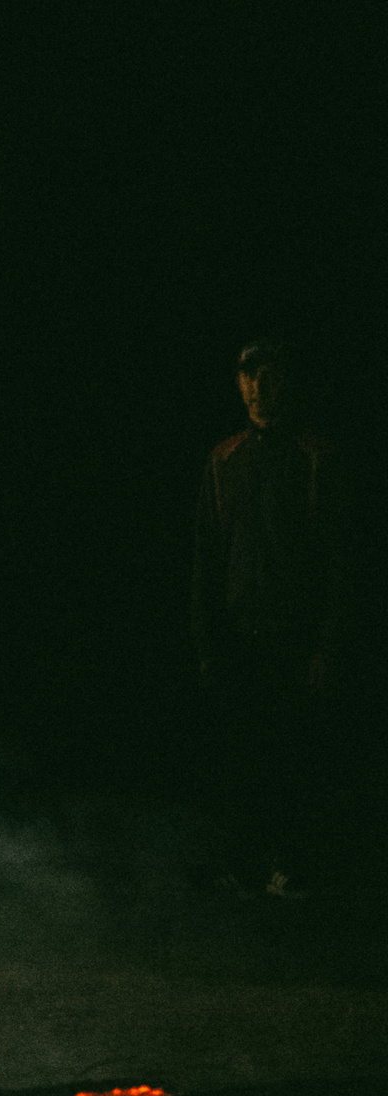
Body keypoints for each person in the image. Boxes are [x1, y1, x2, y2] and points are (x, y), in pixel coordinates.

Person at [190, 339, 350, 896]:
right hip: (239, 637)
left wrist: (327, 647)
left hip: (293, 637)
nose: (256, 385)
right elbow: (206, 561)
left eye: (266, 373)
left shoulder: (315, 456)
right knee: (239, 758)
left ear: (284, 379)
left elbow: (339, 562)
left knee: (291, 758)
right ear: (238, 384)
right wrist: (207, 644)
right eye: (246, 374)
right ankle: (241, 864)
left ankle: (289, 864)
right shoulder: (223, 458)